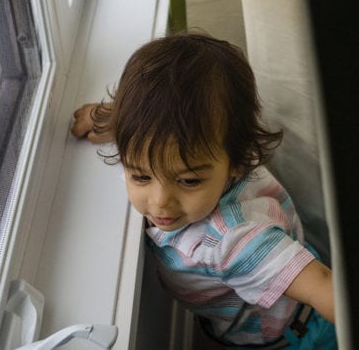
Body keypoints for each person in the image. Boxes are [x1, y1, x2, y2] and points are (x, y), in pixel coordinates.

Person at [71, 32, 336, 349]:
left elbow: (325, 287)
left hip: (290, 335)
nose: (160, 203)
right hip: (279, 273)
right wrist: (108, 119)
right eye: (140, 176)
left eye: (188, 181)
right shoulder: (202, 146)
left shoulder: (236, 239)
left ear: (237, 159)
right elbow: (156, 123)